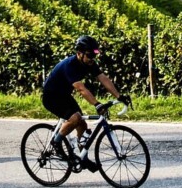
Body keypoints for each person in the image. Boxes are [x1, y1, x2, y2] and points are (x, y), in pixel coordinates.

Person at [41, 35, 130, 171]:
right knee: (75, 118)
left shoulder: (89, 62)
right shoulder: (70, 66)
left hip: (64, 95)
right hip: (51, 96)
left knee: (82, 124)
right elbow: (81, 89)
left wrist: (119, 96)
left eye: (95, 55)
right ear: (79, 54)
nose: (92, 59)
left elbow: (103, 78)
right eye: (89, 55)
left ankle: (83, 158)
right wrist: (97, 104)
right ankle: (56, 143)